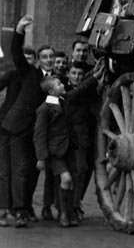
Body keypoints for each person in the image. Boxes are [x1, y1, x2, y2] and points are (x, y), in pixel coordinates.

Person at [34, 74, 78, 227]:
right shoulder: (44, 109)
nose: (62, 85)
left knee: (71, 182)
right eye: (59, 84)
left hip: (68, 149)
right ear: (51, 92)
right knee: (66, 179)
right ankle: (64, 214)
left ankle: (67, 212)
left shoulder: (63, 102)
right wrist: (41, 157)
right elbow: (39, 134)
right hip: (54, 152)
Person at [0, 46, 35, 227]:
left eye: (30, 59)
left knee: (20, 169)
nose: (27, 62)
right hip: (4, 125)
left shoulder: (35, 78)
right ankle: (2, 209)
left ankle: (19, 208)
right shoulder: (12, 75)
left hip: (22, 129)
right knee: (4, 170)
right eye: (25, 58)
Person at [66, 59, 104, 221]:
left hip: (81, 139)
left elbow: (88, 91)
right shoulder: (63, 89)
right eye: (73, 73)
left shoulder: (86, 91)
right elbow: (74, 95)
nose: (77, 77)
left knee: (80, 171)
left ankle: (74, 206)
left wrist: (94, 75)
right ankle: (60, 207)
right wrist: (93, 76)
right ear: (68, 75)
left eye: (80, 74)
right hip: (64, 139)